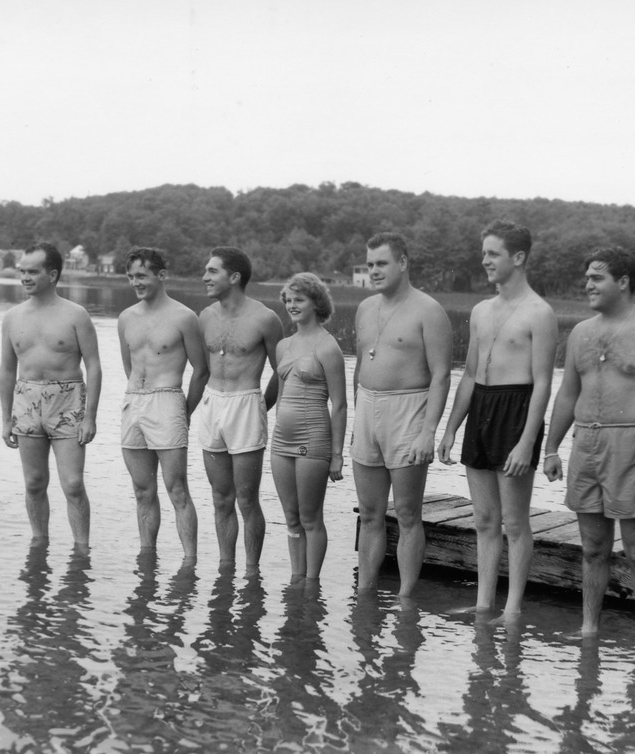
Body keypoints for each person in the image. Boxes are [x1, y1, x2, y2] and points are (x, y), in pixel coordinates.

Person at [542, 246, 635, 651]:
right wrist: (551, 448)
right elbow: (568, 393)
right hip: (586, 441)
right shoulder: (581, 334)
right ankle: (589, 628)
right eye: (587, 276)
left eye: (597, 277)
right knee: (592, 548)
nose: (587, 284)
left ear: (623, 282)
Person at [438, 220, 558, 624]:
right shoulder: (479, 311)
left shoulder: (539, 313)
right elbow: (470, 374)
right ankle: (485, 602)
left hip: (517, 408)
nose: (484, 260)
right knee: (485, 520)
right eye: (484, 252)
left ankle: (512, 609)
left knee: (514, 521)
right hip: (481, 408)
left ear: (518, 258)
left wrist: (527, 443)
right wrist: (452, 427)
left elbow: (543, 382)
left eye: (493, 253)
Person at [353, 232, 452, 597]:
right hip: (367, 407)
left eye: (382, 263)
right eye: (370, 265)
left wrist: (429, 431)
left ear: (403, 263)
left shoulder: (429, 310)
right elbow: (361, 364)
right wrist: (354, 423)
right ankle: (364, 592)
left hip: (408, 409)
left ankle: (406, 597)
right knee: (369, 513)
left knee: (408, 514)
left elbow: (442, 375)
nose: (374, 271)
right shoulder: (365, 308)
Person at [0, 242, 102, 546]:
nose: (25, 277)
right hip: (26, 399)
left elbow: (94, 367)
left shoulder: (76, 315)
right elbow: (7, 370)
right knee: (33, 483)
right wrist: (6, 419)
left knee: (72, 483)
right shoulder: (12, 317)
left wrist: (90, 418)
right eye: (23, 271)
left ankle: (82, 549)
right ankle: (39, 545)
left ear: (53, 274)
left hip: (67, 399)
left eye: (33, 271)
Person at [191, 246, 283, 570]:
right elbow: (200, 369)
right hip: (212, 403)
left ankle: (252, 570)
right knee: (220, 498)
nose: (205, 277)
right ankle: (225, 568)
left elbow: (282, 372)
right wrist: (186, 409)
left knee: (246, 499)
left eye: (212, 271)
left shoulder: (265, 318)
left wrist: (261, 407)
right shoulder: (204, 317)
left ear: (234, 276)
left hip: (246, 404)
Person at [117, 247, 208, 559]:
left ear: (161, 275)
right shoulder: (126, 318)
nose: (135, 282)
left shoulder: (184, 317)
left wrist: (186, 410)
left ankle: (190, 560)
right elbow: (129, 367)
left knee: (177, 488)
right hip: (133, 403)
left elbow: (201, 369)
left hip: (168, 400)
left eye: (141, 275)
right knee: (142, 490)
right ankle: (147, 558)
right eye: (130, 277)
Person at [271, 273, 348, 582]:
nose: (292, 305)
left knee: (310, 517)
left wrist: (337, 455)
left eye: (299, 299)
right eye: (288, 300)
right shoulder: (283, 346)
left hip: (312, 440)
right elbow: (279, 393)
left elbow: (340, 404)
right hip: (281, 441)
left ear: (316, 303)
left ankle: (312, 584)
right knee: (291, 518)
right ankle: (295, 578)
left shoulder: (328, 347)